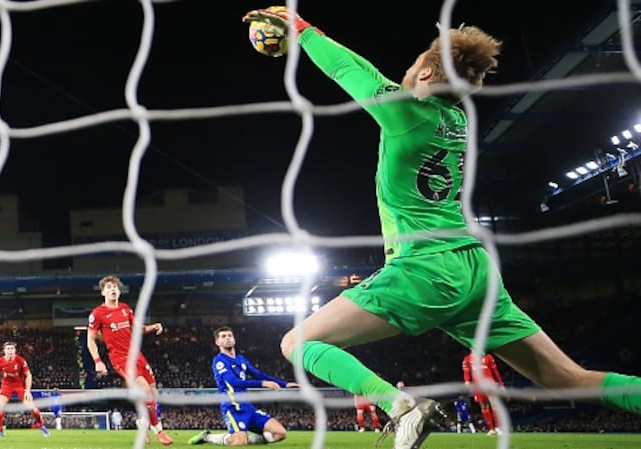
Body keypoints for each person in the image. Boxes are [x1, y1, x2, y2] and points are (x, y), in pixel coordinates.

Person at [240, 6, 641, 449]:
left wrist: (301, 29)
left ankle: (401, 406)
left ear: (428, 73)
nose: (406, 70)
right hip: (474, 269)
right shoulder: (458, 119)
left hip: (426, 268)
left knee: (297, 342)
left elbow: (348, 69)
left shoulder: (409, 114)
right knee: (568, 379)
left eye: (415, 64)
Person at [87, 275, 173, 445]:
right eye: (109, 287)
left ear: (119, 291)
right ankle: (160, 431)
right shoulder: (98, 313)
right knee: (145, 390)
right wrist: (98, 360)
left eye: (115, 287)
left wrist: (151, 327)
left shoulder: (126, 309)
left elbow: (137, 328)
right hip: (120, 358)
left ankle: (143, 423)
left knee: (154, 394)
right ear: (103, 292)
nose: (113, 289)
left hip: (137, 355)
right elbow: (90, 339)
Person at [188, 326, 298, 446]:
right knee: (239, 442)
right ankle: (208, 437)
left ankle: (244, 439)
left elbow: (258, 374)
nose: (228, 338)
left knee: (280, 433)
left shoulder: (241, 359)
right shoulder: (219, 361)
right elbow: (232, 382)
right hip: (233, 407)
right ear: (217, 342)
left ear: (234, 339)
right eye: (223, 336)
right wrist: (263, 384)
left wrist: (285, 384)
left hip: (248, 407)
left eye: (230, 335)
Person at [0, 341, 49, 438]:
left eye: (12, 349)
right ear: (4, 351)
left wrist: (27, 391)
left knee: (33, 408)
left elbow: (28, 375)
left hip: (19, 386)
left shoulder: (20, 360)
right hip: (6, 386)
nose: (10, 351)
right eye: (8, 349)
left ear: (15, 350)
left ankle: (42, 426)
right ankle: (0, 432)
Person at [462, 352, 505, 434]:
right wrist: (467, 381)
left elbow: (495, 371)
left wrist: (501, 384)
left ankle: (498, 427)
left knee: (494, 405)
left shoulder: (488, 357)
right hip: (478, 386)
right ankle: (491, 429)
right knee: (484, 407)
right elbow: (466, 371)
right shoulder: (468, 359)